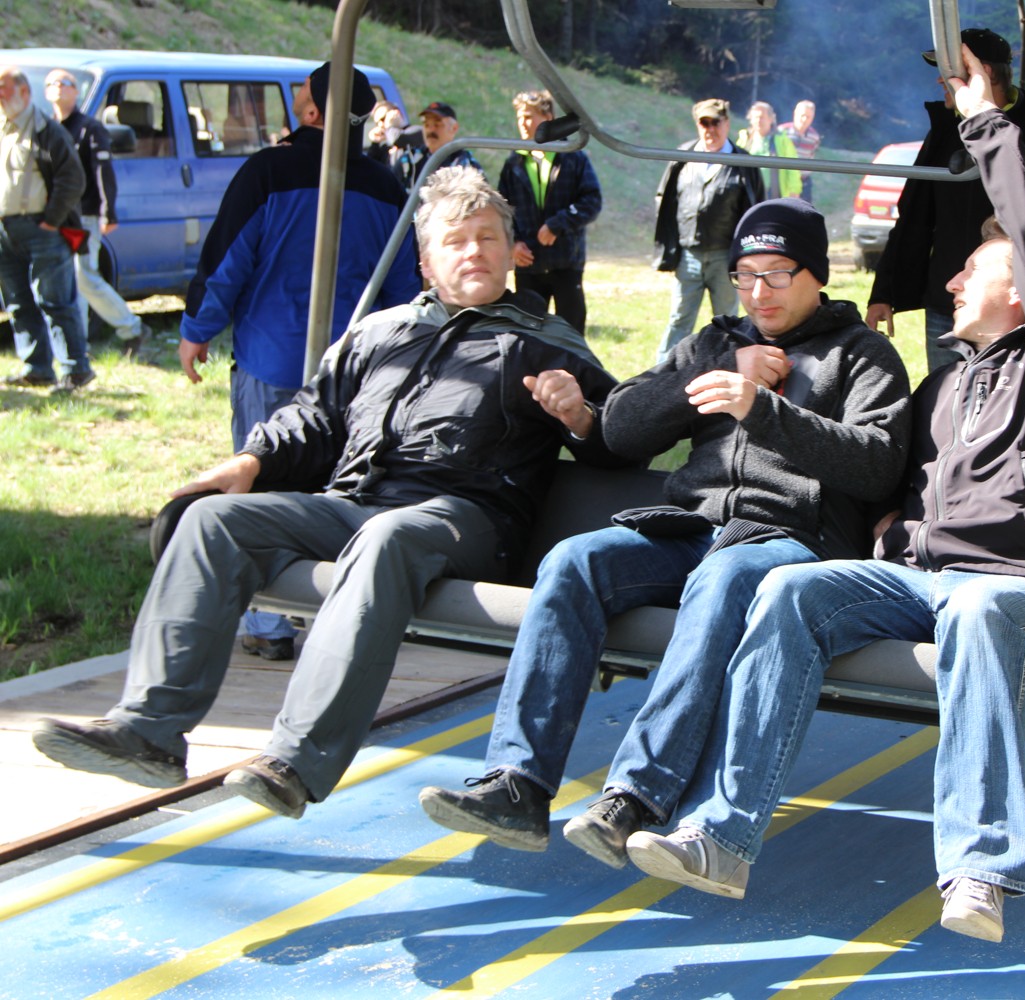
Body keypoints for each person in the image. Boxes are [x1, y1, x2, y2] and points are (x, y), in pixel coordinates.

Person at [622, 47, 1025, 946]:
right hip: (920, 576)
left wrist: (987, 122)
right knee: (789, 589)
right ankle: (722, 835)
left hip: (1010, 578)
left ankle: (979, 868)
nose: (951, 282)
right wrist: (894, 526)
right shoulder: (944, 385)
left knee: (979, 613)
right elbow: (898, 479)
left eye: (971, 270)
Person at [31, 166, 625, 820]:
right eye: (455, 241)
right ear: (427, 262)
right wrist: (252, 460)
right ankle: (148, 730)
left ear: (512, 252)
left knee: (386, 536)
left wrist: (580, 416)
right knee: (214, 521)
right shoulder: (381, 333)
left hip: (467, 516)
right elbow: (315, 418)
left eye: (488, 238)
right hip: (354, 504)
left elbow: (622, 440)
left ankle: (297, 760)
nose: (474, 252)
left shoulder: (544, 343)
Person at [418, 198, 913, 866]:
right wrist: (712, 378)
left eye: (776, 274)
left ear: (816, 275)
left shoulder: (862, 355)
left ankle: (637, 795)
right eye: (744, 276)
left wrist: (763, 410)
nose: (757, 292)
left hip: (789, 540)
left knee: (723, 577)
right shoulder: (715, 343)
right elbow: (620, 428)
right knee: (575, 560)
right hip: (692, 528)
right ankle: (518, 784)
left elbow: (879, 466)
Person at [177, 62, 421, 662]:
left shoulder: (267, 171)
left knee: (258, 483)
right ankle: (336, 613)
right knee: (337, 492)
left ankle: (269, 623)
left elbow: (227, 261)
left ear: (313, 111)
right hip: (356, 373)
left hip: (273, 360)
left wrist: (196, 330)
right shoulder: (386, 187)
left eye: (301, 95)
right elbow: (404, 289)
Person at [866, 26, 1025, 376]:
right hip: (947, 303)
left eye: (950, 71)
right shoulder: (943, 130)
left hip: (1016, 309)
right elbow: (914, 216)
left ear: (985, 73)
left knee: (1007, 396)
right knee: (947, 397)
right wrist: (884, 292)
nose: (939, 80)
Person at [0, 66, 93, 392]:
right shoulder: (4, 128)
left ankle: (76, 370)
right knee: (18, 302)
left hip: (42, 229)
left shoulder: (47, 130)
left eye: (3, 89)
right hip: (6, 230)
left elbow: (73, 179)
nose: (0, 96)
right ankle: (37, 367)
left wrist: (51, 220)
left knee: (56, 302)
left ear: (24, 92)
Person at [651, 98, 764, 362]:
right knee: (679, 319)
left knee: (729, 321)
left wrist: (746, 258)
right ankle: (662, 371)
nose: (710, 129)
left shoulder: (744, 162)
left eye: (716, 122)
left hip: (726, 257)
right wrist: (672, 245)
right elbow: (664, 199)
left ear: (727, 123)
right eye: (704, 123)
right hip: (689, 255)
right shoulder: (683, 156)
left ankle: (732, 365)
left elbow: (755, 208)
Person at [45, 68, 145, 346]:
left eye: (65, 83)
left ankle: (132, 328)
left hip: (84, 215)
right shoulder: (46, 128)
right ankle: (75, 344)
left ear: (75, 91)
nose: (58, 87)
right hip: (55, 217)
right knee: (68, 279)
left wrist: (107, 212)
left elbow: (103, 171)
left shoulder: (89, 128)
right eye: (52, 83)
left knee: (83, 275)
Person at [498, 89, 602, 334]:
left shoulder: (573, 157)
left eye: (528, 117)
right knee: (528, 334)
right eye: (520, 117)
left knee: (571, 333)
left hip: (566, 262)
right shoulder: (513, 162)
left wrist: (558, 224)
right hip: (528, 263)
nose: (523, 124)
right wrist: (513, 244)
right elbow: (502, 211)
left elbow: (592, 201)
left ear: (547, 117)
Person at [395, 100, 484, 190]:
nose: (430, 130)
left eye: (437, 124)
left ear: (454, 128)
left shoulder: (466, 166)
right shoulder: (410, 160)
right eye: (426, 124)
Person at [736, 101, 801, 200]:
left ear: (771, 119)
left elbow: (793, 167)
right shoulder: (745, 139)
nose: (758, 121)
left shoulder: (782, 140)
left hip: (772, 195)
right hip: (748, 192)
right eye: (755, 117)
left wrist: (794, 191)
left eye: (762, 117)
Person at [778, 100, 820, 204]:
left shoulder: (814, 137)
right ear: (795, 114)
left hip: (804, 181)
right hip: (784, 181)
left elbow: (812, 155)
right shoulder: (782, 131)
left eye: (808, 117)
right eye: (802, 115)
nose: (804, 119)